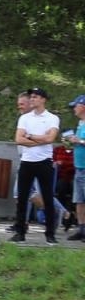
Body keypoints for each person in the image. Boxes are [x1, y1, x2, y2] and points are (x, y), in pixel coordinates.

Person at [12, 87, 61, 244]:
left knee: (47, 197)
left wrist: (30, 136)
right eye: (31, 97)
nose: (32, 99)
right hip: (27, 161)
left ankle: (50, 233)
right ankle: (20, 232)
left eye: (35, 97)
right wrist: (38, 140)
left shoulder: (52, 118)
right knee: (22, 197)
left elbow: (50, 138)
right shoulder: (25, 118)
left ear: (43, 99)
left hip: (44, 161)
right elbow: (19, 139)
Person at [64, 95, 85, 241]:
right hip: (78, 167)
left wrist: (80, 141)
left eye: (75, 106)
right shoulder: (80, 124)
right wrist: (69, 142)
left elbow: (82, 142)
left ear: (83, 107)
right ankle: (81, 228)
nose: (73, 109)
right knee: (79, 200)